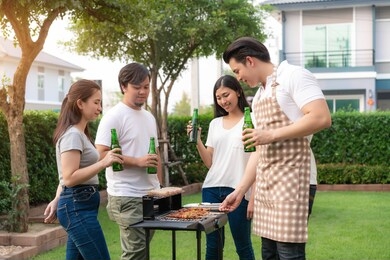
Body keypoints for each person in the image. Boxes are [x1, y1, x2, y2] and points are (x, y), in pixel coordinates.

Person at [219, 37, 332, 260]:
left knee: (288, 253)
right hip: (268, 182)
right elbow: (260, 150)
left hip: (294, 179)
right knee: (268, 253)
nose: (238, 78)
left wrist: (270, 134)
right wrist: (241, 190)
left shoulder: (293, 75)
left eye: (237, 70)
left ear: (250, 61)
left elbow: (321, 117)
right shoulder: (260, 95)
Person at [44, 79, 124, 260]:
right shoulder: (72, 135)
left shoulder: (80, 134)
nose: (100, 108)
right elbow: (70, 177)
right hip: (77, 207)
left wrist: (58, 198)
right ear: (80, 103)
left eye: (100, 103)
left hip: (78, 205)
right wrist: (103, 163)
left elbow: (64, 179)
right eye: (96, 102)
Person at [94, 62, 163, 260]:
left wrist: (160, 187)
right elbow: (101, 154)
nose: (142, 91)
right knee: (135, 254)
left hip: (150, 194)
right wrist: (137, 161)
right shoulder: (114, 116)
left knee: (142, 253)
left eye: (146, 86)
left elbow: (156, 154)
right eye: (137, 87)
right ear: (124, 86)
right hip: (127, 196)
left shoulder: (149, 117)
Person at [187, 75, 255, 260]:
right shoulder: (215, 123)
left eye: (226, 95)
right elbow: (210, 162)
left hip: (239, 190)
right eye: (219, 98)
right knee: (213, 246)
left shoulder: (252, 119)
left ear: (238, 91)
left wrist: (254, 196)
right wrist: (198, 139)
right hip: (211, 189)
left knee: (243, 245)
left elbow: (258, 161)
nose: (223, 101)